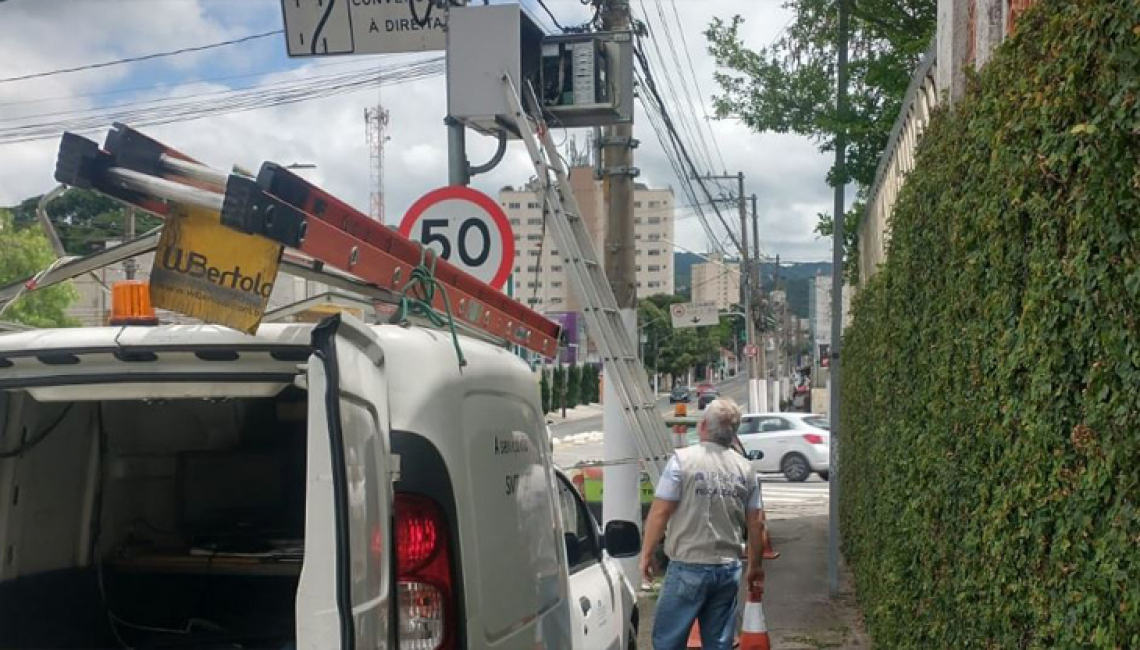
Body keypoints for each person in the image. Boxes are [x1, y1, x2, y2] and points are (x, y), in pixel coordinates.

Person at [639, 398, 765, 650]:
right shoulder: (746, 469)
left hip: (688, 565)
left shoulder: (682, 461)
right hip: (728, 568)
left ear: (704, 426)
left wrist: (647, 553)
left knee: (668, 640)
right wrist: (755, 566)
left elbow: (660, 511)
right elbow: (756, 524)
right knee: (719, 642)